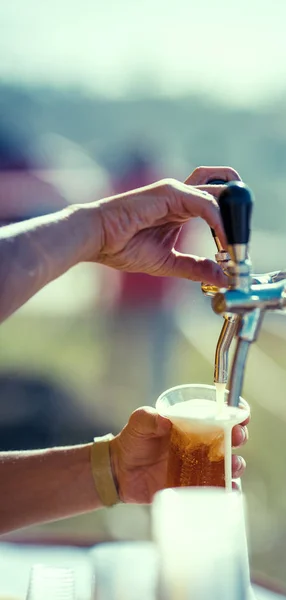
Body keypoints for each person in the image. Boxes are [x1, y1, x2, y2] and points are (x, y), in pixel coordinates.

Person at [0, 166, 250, 535]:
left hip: (149, 313)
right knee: (122, 388)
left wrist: (115, 470)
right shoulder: (138, 184)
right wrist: (97, 229)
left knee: (144, 382)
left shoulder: (135, 185)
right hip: (131, 312)